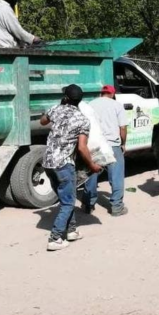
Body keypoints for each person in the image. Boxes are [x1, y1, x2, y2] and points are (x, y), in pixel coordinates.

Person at [40, 84, 101, 251]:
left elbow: (43, 121)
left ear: (65, 97)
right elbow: (82, 147)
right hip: (64, 165)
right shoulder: (82, 120)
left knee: (66, 198)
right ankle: (55, 238)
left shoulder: (55, 109)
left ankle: (72, 231)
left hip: (48, 163)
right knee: (68, 202)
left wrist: (59, 106)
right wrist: (92, 165)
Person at [82, 85, 129, 217]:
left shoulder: (90, 105)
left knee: (92, 174)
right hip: (112, 145)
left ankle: (88, 205)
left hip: (95, 144)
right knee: (116, 176)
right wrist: (123, 143)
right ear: (113, 94)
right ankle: (116, 207)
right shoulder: (117, 105)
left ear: (100, 93)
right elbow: (123, 128)